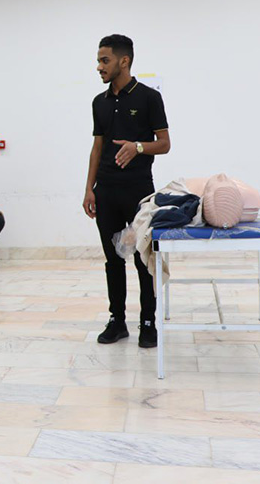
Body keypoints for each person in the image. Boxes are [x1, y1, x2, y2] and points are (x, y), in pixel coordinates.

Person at [82, 34, 170, 348]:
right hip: (105, 193)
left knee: (142, 260)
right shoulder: (99, 102)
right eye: (98, 60)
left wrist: (138, 147)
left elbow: (164, 144)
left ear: (124, 61)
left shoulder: (149, 98)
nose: (99, 67)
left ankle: (148, 323)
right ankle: (117, 321)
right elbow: (97, 147)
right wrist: (89, 189)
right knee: (113, 260)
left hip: (138, 193)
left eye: (104, 60)